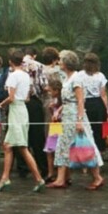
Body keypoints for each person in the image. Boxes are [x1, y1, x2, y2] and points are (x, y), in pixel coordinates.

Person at [49, 50, 104, 191]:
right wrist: (60, 110)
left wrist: (79, 120)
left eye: (61, 60)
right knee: (63, 145)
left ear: (67, 63)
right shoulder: (66, 79)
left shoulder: (76, 79)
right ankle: (61, 179)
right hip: (67, 116)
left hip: (75, 117)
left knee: (85, 146)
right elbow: (68, 100)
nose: (59, 62)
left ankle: (97, 177)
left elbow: (80, 100)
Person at [0, 50, 46, 193]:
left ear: (10, 62)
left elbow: (10, 97)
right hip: (23, 108)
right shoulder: (26, 76)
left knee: (22, 147)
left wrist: (1, 104)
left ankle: (39, 178)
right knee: (8, 146)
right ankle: (5, 178)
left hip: (16, 110)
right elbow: (28, 97)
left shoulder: (12, 76)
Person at [21, 47, 49, 177]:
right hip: (34, 102)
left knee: (22, 135)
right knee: (37, 135)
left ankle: (22, 167)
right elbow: (44, 86)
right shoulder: (39, 66)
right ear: (35, 55)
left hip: (19, 103)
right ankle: (43, 167)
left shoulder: (16, 65)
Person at [40, 47, 64, 183]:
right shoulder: (59, 72)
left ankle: (51, 171)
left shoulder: (41, 70)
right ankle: (63, 172)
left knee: (50, 139)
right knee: (59, 140)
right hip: (58, 108)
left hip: (48, 108)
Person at [81, 52, 108, 155]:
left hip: (85, 103)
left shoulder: (80, 75)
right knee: (98, 130)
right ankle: (98, 155)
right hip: (98, 104)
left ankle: (86, 156)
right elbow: (103, 94)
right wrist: (107, 110)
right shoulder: (100, 76)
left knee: (86, 130)